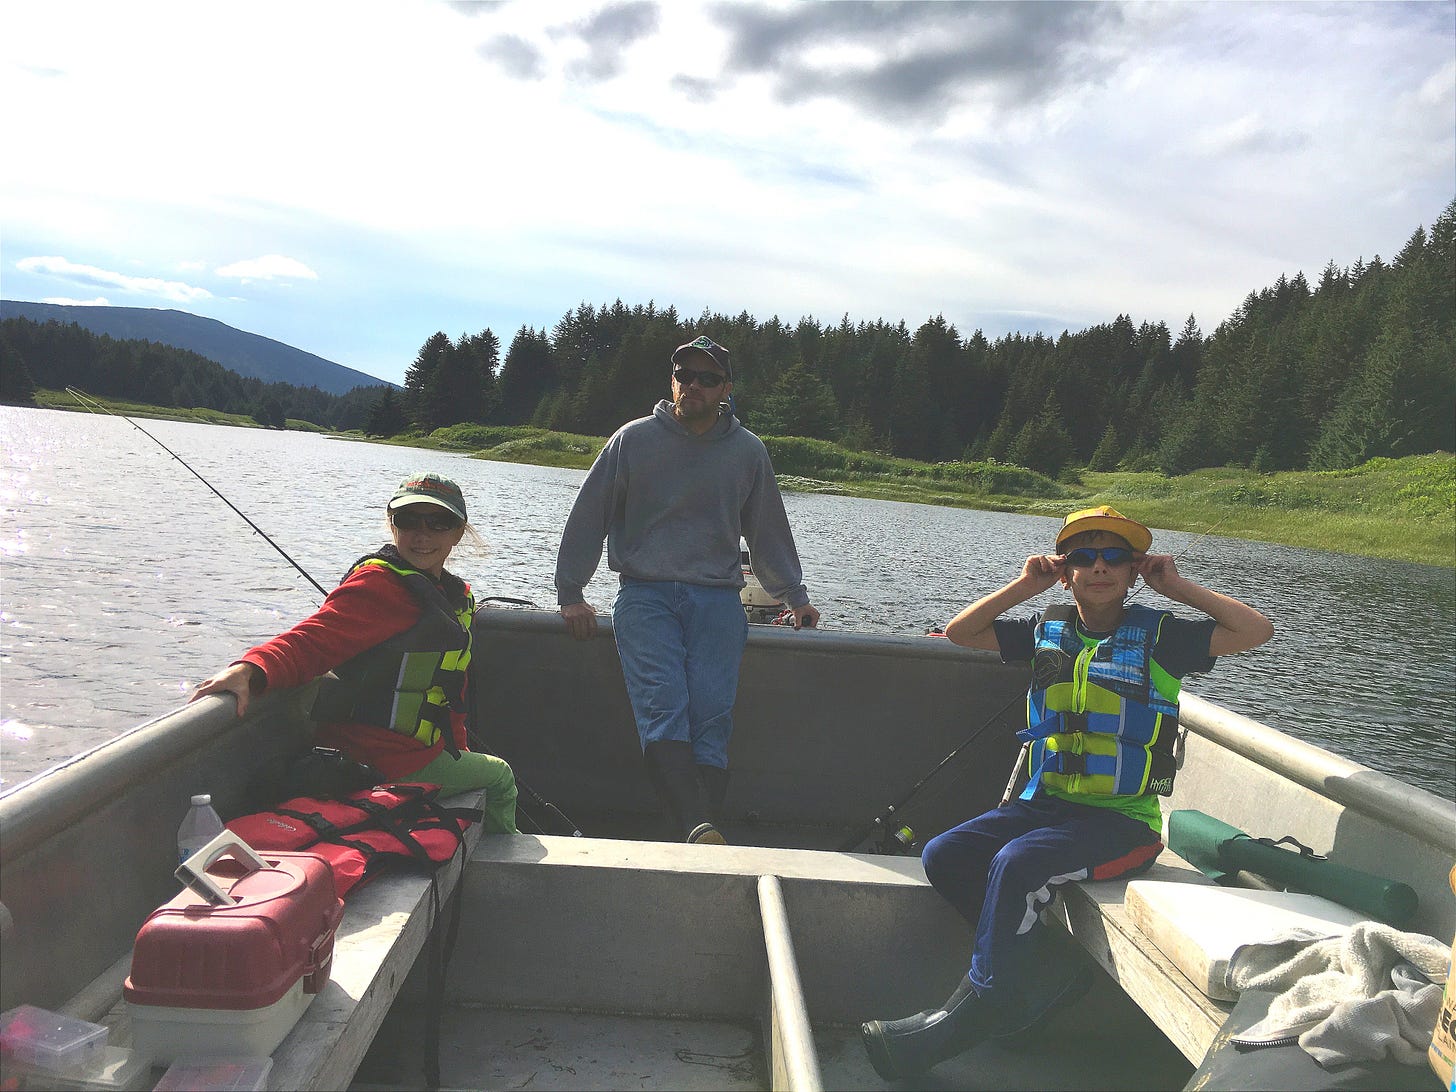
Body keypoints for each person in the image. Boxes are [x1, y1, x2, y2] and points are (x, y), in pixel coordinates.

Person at [860, 505, 1274, 1080]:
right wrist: (1025, 586)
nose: (1098, 567)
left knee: (1017, 862)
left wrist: (1176, 586)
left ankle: (968, 1015)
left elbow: (1255, 632)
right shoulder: (1045, 629)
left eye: (1115, 557)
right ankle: (1041, 979)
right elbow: (963, 632)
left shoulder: (1163, 639)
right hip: (1045, 805)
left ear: (1133, 572)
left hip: (1123, 825)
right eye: (1083, 557)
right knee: (945, 855)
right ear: (1066, 571)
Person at [554, 334, 821, 845]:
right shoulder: (631, 440)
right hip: (645, 595)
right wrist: (571, 592)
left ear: (726, 389)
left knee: (712, 717)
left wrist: (794, 596)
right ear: (672, 380)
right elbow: (588, 517)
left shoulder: (747, 452)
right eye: (684, 375)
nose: (693, 385)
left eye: (707, 378)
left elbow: (767, 530)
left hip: (718, 602)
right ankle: (700, 830)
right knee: (663, 706)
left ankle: (695, 834)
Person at [190, 472, 519, 834]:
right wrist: (251, 668)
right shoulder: (379, 585)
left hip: (409, 753)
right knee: (500, 777)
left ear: (458, 532)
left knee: (482, 769)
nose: (422, 534)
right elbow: (312, 639)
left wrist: (459, 751)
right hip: (381, 760)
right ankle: (509, 873)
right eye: (408, 520)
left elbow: (450, 689)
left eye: (439, 522)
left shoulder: (452, 597)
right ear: (392, 525)